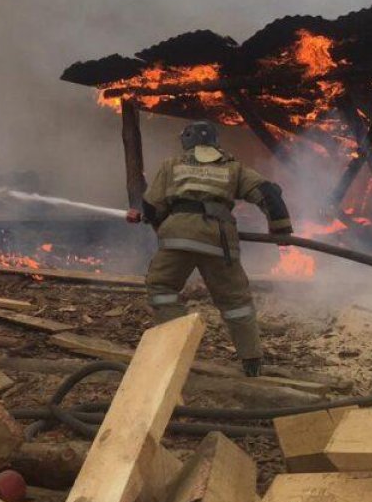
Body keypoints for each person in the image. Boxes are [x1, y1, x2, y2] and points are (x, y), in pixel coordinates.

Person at [125, 120, 292, 376]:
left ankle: (176, 348)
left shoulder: (173, 165)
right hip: (219, 240)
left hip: (177, 238)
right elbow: (268, 193)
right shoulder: (233, 168)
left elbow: (151, 206)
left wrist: (157, 223)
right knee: (236, 302)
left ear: (186, 141)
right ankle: (251, 360)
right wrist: (280, 231)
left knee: (162, 288)